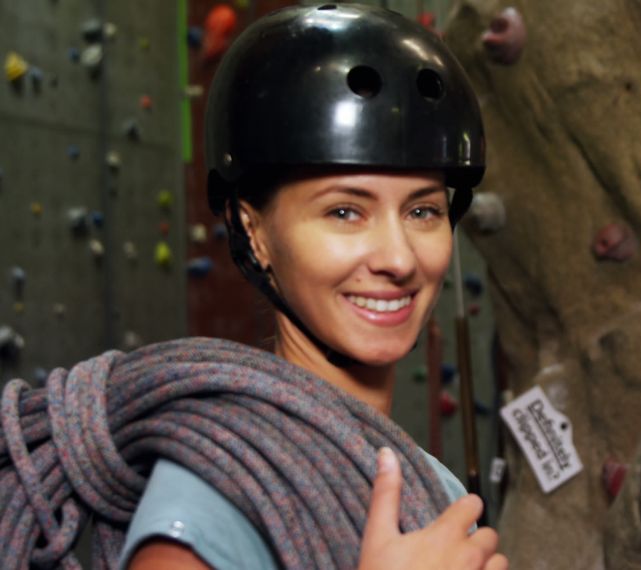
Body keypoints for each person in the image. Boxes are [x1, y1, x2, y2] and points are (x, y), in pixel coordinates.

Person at [118, 5, 504, 569]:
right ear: (254, 231)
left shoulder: (434, 487)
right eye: (345, 211)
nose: (398, 258)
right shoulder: (208, 510)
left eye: (422, 210)